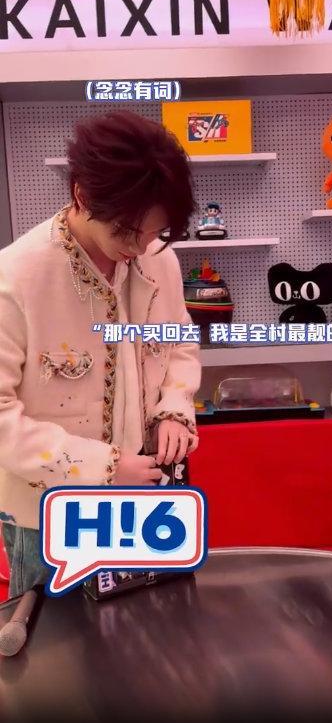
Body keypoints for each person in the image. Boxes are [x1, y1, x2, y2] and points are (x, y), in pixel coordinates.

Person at [0, 110, 201, 597]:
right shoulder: (16, 278)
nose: (141, 247)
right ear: (82, 197)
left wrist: (175, 408)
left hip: (145, 500)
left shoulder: (159, 260)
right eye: (128, 233)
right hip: (48, 511)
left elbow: (179, 342)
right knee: (53, 635)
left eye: (155, 232)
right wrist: (103, 467)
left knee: (149, 624)